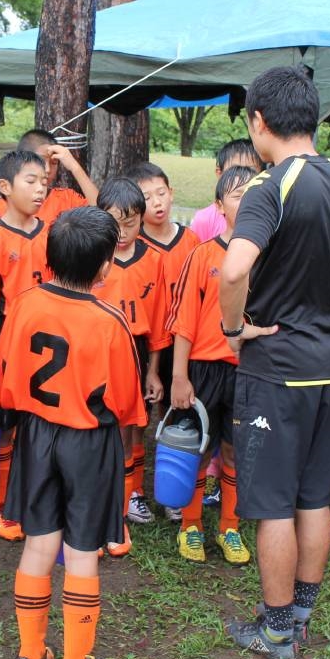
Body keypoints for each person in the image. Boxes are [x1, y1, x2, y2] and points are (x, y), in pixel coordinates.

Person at [219, 64, 330, 659]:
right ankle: (301, 619)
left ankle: (274, 631)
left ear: (258, 121)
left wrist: (233, 329)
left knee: (272, 504)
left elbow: (233, 269)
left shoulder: (269, 187)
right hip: (329, 364)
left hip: (276, 367)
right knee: (314, 498)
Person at [0, 206, 144, 659]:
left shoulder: (24, 303)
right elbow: (126, 402)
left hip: (36, 436)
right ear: (104, 266)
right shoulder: (109, 320)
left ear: (50, 257)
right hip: (89, 441)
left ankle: (30, 654)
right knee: (81, 551)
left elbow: (7, 372)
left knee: (39, 543)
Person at [167, 165, 256, 565]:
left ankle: (229, 528)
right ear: (220, 206)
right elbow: (184, 321)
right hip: (203, 369)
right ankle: (191, 526)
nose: (246, 201)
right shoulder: (202, 255)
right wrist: (179, 376)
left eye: (253, 193)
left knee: (234, 452)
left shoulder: (268, 256)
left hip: (247, 370)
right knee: (198, 451)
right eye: (237, 194)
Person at [0, 150, 51, 543]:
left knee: (35, 427)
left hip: (46, 347)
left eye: (44, 182)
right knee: (3, 428)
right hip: (6, 346)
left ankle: (29, 499)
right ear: (5, 187)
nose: (40, 189)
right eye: (31, 181)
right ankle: (3, 506)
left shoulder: (51, 233)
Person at [94, 177, 169, 554]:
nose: (123, 232)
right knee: (94, 429)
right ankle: (93, 508)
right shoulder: (93, 256)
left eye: (131, 223)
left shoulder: (154, 260)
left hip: (136, 352)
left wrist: (153, 370)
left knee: (129, 429)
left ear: (142, 219)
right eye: (115, 223)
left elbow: (158, 323)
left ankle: (121, 513)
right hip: (96, 351)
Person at [134, 160, 201, 454]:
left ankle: (169, 455)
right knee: (138, 412)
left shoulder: (191, 240)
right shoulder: (134, 244)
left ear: (171, 193)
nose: (157, 202)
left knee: (177, 406)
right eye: (147, 198)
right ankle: (133, 472)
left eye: (161, 193)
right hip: (145, 338)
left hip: (183, 339)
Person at [0, 129, 97, 222]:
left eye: (54, 163)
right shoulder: (0, 207)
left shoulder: (66, 199)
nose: (47, 169)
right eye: (41, 161)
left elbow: (101, 213)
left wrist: (74, 167)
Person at [189, 139, 262, 242]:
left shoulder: (267, 215)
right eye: (235, 170)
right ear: (219, 173)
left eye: (251, 170)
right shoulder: (204, 219)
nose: (244, 177)